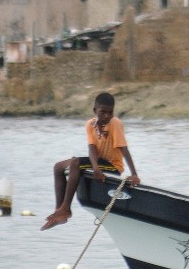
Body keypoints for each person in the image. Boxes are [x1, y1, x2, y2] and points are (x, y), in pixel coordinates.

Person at [41, 91, 140, 230]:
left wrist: (134, 174)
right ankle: (59, 209)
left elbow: (124, 149)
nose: (106, 116)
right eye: (103, 112)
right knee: (58, 167)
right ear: (95, 110)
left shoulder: (115, 123)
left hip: (112, 166)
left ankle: (66, 209)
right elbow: (92, 148)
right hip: (99, 162)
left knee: (76, 163)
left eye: (110, 112)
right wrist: (95, 168)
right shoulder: (90, 124)